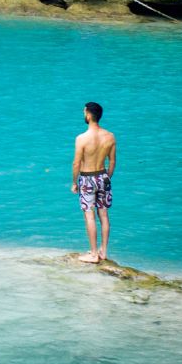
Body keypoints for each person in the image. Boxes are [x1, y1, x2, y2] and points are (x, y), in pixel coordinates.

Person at [71, 101, 117, 264]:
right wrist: (107, 178)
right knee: (103, 215)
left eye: (84, 112)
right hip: (103, 177)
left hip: (87, 178)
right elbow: (112, 162)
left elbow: (76, 163)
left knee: (89, 215)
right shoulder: (110, 136)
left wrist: (74, 182)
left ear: (89, 115)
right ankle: (103, 251)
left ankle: (93, 255)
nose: (84, 115)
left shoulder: (82, 138)